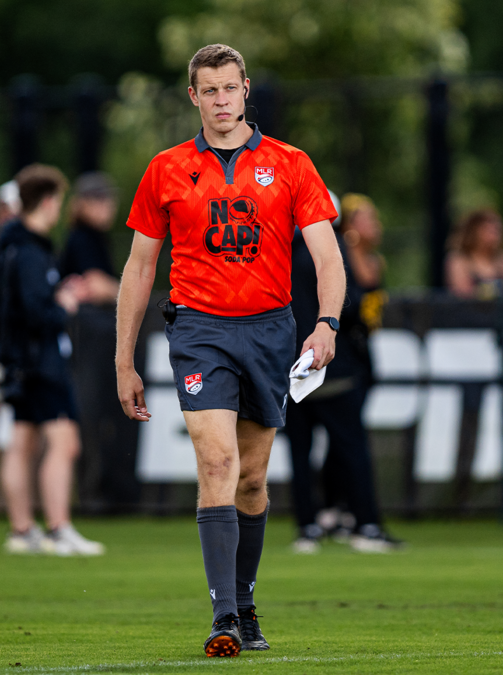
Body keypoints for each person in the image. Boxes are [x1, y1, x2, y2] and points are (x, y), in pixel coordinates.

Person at [115, 44, 343, 657]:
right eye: (209, 90)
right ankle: (223, 619)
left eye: (229, 88)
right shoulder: (165, 169)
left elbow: (327, 256)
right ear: (194, 97)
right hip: (198, 330)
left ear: (246, 90)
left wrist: (326, 323)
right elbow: (139, 268)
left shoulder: (290, 163)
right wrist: (123, 360)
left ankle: (244, 604)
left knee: (254, 480)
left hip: (269, 330)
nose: (220, 100)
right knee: (217, 464)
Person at [0, 164, 104, 557]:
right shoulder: (29, 251)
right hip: (40, 362)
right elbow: (36, 313)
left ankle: (22, 531)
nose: (59, 207)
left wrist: (58, 293)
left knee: (22, 442)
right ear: (46, 202)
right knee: (65, 444)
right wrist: (66, 303)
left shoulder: (17, 246)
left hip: (22, 361)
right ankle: (59, 529)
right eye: (57, 199)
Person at [285, 191, 401, 555]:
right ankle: (365, 524)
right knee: (352, 449)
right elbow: (348, 307)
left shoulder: (279, 251)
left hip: (291, 367)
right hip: (336, 366)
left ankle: (308, 526)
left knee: (299, 453)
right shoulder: (331, 250)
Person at [60, 172, 121, 304]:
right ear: (82, 204)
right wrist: (131, 294)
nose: (108, 205)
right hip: (84, 315)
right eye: (99, 199)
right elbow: (96, 285)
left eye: (109, 198)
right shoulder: (82, 237)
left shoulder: (97, 236)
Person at [445, 208, 503, 299]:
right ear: (474, 231)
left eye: (497, 230)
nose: (495, 235)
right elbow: (462, 293)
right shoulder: (459, 259)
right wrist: (498, 290)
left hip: (502, 308)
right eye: (488, 230)